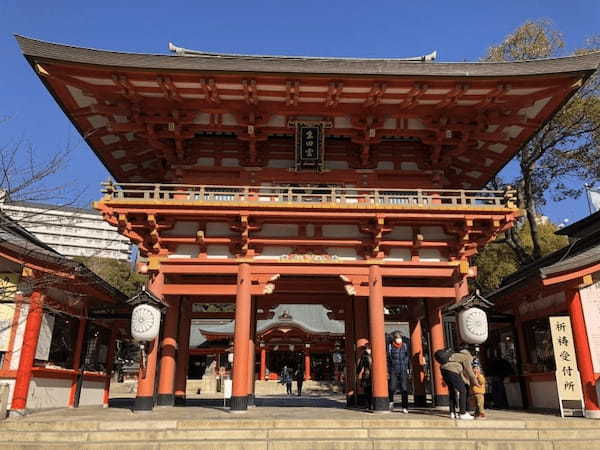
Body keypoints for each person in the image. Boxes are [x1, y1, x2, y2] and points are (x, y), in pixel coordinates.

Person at [441, 348, 480, 420]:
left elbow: (460, 372)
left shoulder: (455, 355)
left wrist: (465, 381)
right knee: (463, 390)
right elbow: (470, 372)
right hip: (452, 371)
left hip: (444, 370)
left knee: (452, 391)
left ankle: (452, 413)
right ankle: (462, 413)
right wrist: (476, 383)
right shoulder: (466, 357)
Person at [387, 331, 410, 413]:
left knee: (404, 388)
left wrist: (408, 368)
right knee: (392, 387)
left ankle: (405, 407)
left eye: (399, 338)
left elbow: (407, 357)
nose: (398, 339)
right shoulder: (390, 346)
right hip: (393, 370)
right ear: (394, 339)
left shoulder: (405, 346)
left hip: (403, 369)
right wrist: (388, 370)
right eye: (397, 338)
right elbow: (388, 359)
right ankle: (391, 402)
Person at [356, 339, 373, 410]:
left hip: (372, 372)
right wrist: (358, 372)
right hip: (367, 373)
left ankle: (371, 404)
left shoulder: (375, 352)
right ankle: (367, 404)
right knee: (367, 390)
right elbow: (360, 365)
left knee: (370, 390)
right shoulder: (364, 355)